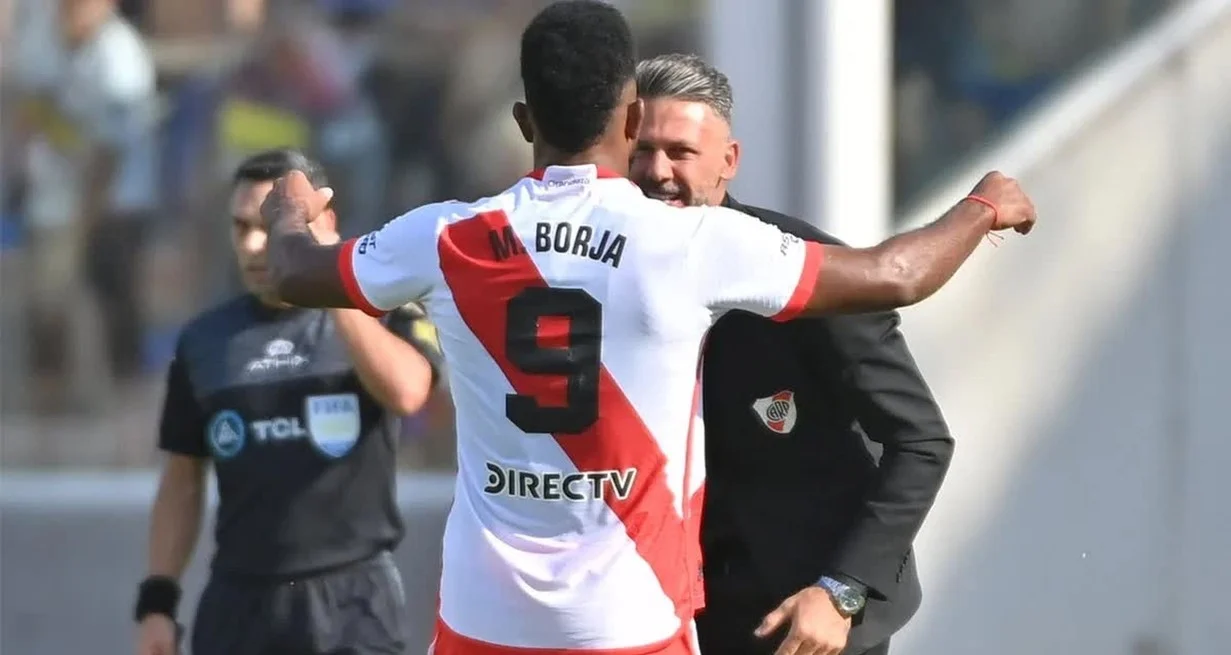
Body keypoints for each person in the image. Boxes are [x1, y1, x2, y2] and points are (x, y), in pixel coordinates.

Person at [257, 2, 1036, 654]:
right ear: (629, 122)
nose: (662, 169)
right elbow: (898, 273)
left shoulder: (446, 236)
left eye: (682, 151)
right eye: (650, 144)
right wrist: (983, 205)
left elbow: (294, 271)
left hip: (502, 618)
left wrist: (291, 210)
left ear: (523, 119)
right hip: (635, 615)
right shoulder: (690, 244)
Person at [632, 53, 953, 655]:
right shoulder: (595, 277)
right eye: (640, 151)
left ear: (729, 161)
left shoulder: (805, 270)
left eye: (680, 152)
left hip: (802, 623)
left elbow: (921, 441)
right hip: (659, 618)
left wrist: (841, 591)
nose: (656, 171)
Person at [133, 149, 441, 655]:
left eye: (270, 227)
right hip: (238, 607)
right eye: (241, 227)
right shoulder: (204, 342)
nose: (255, 246)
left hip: (352, 604)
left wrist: (331, 279)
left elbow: (409, 393)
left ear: (325, 222)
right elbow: (182, 480)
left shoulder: (385, 316)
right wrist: (157, 603)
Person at [11, 0, 159, 412]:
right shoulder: (46, 41)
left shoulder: (120, 56)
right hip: (54, 195)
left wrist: (86, 217)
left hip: (116, 199)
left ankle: (128, 389)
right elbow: (29, 107)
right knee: (46, 296)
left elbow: (110, 153)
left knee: (114, 294)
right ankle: (49, 390)